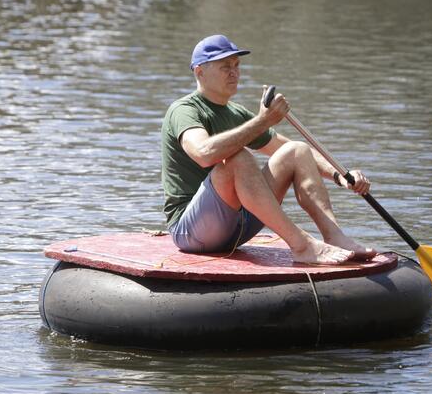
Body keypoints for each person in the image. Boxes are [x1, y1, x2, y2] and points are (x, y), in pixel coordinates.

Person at [161, 34, 376, 265]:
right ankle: (301, 245)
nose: (234, 73)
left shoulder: (236, 113)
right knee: (238, 158)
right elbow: (203, 154)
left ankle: (335, 236)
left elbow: (284, 148)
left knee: (297, 150)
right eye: (225, 67)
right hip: (192, 233)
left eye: (236, 65)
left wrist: (340, 175)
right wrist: (264, 121)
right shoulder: (184, 110)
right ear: (199, 71)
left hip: (238, 225)